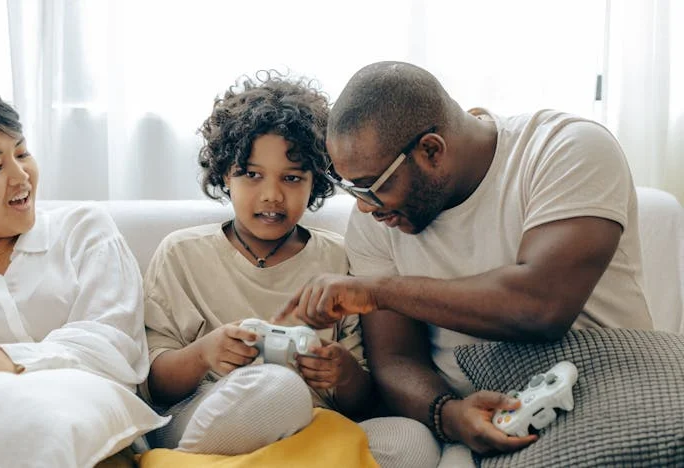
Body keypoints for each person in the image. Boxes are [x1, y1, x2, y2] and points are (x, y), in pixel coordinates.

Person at [275, 61, 653, 464]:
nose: (366, 208)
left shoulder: (565, 149)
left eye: (373, 187)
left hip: (610, 391)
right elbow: (396, 358)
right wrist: (448, 414)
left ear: (432, 150)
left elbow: (540, 306)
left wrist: (379, 291)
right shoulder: (374, 223)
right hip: (481, 425)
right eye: (353, 190)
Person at [142, 71, 438, 467]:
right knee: (279, 391)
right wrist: (204, 353)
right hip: (208, 415)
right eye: (251, 174)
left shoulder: (338, 260)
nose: (271, 195)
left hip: (314, 426)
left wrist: (343, 373)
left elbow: (364, 400)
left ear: (315, 184)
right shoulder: (181, 253)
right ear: (225, 176)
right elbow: (153, 386)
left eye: (292, 178)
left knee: (413, 441)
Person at [0, 85, 163, 444]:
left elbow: (115, 346)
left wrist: (7, 359)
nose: (21, 176)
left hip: (90, 434)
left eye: (22, 153)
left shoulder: (83, 229)